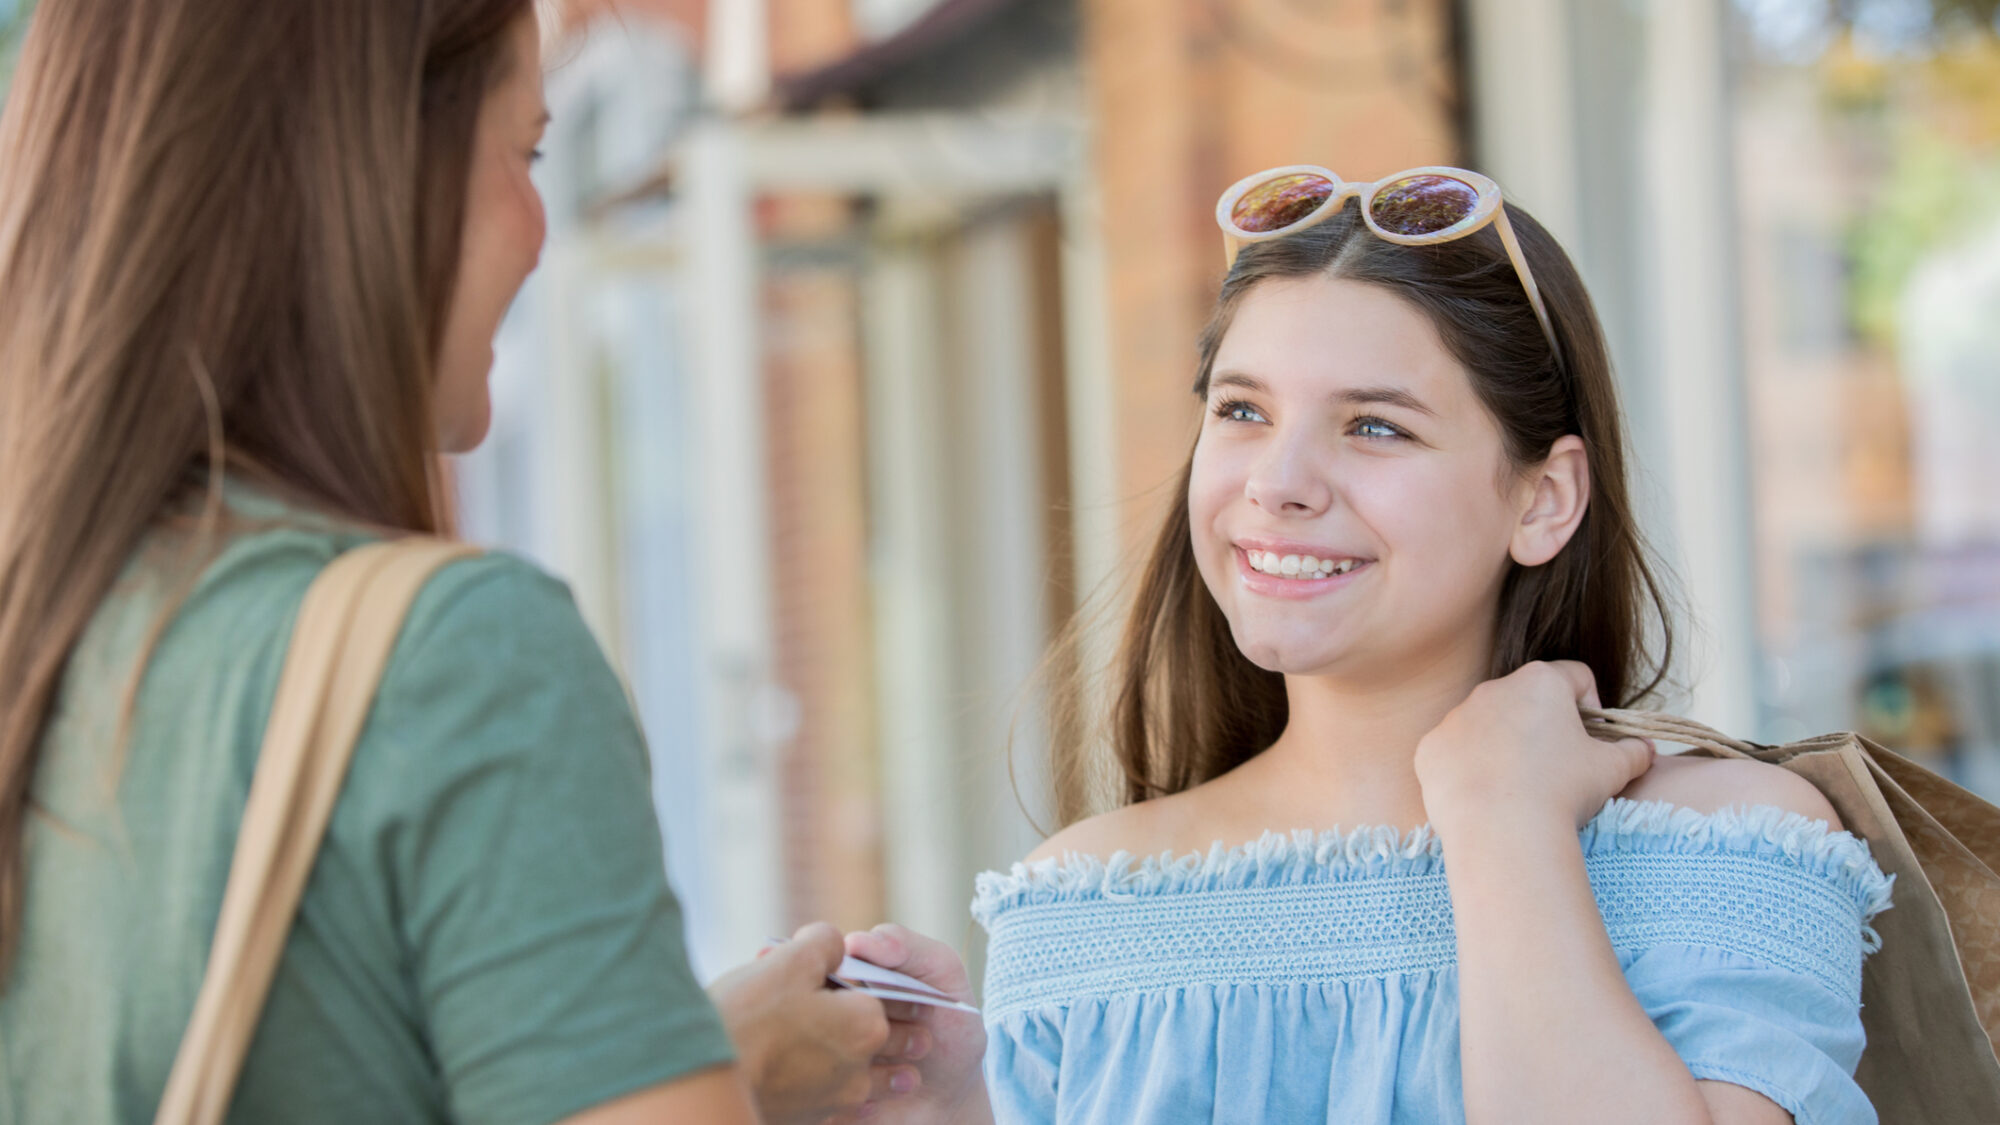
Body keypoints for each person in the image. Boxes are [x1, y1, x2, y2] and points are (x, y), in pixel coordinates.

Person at [0, 2, 927, 1122]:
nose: (543, 226)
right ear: (366, 163)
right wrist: (732, 1085)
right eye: (527, 151)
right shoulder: (453, 658)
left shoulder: (49, 630)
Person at [873, 167, 1898, 1123]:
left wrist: (1501, 818)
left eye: (1373, 427)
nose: (1276, 481)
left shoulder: (1727, 846)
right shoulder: (1081, 904)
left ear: (1542, 501)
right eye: (1240, 410)